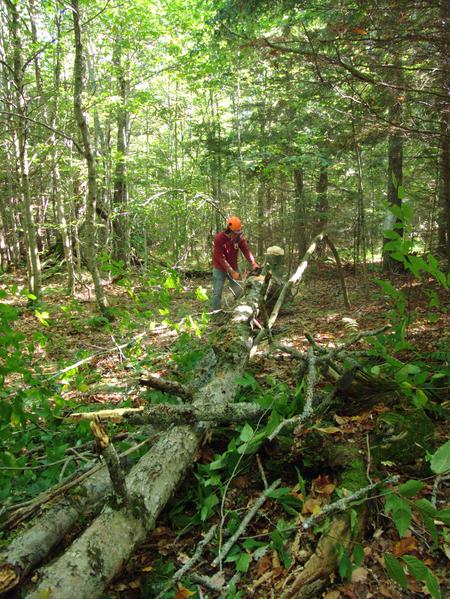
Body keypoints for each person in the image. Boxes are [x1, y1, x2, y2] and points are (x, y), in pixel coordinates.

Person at [211, 216, 259, 311]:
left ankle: (242, 309)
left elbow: (246, 250)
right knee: (217, 292)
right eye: (236, 233)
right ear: (230, 230)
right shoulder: (219, 239)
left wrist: (253, 263)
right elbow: (220, 258)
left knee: (239, 290)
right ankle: (216, 311)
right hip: (219, 268)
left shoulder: (239, 238)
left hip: (233, 266)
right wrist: (232, 272)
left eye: (239, 232)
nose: (237, 235)